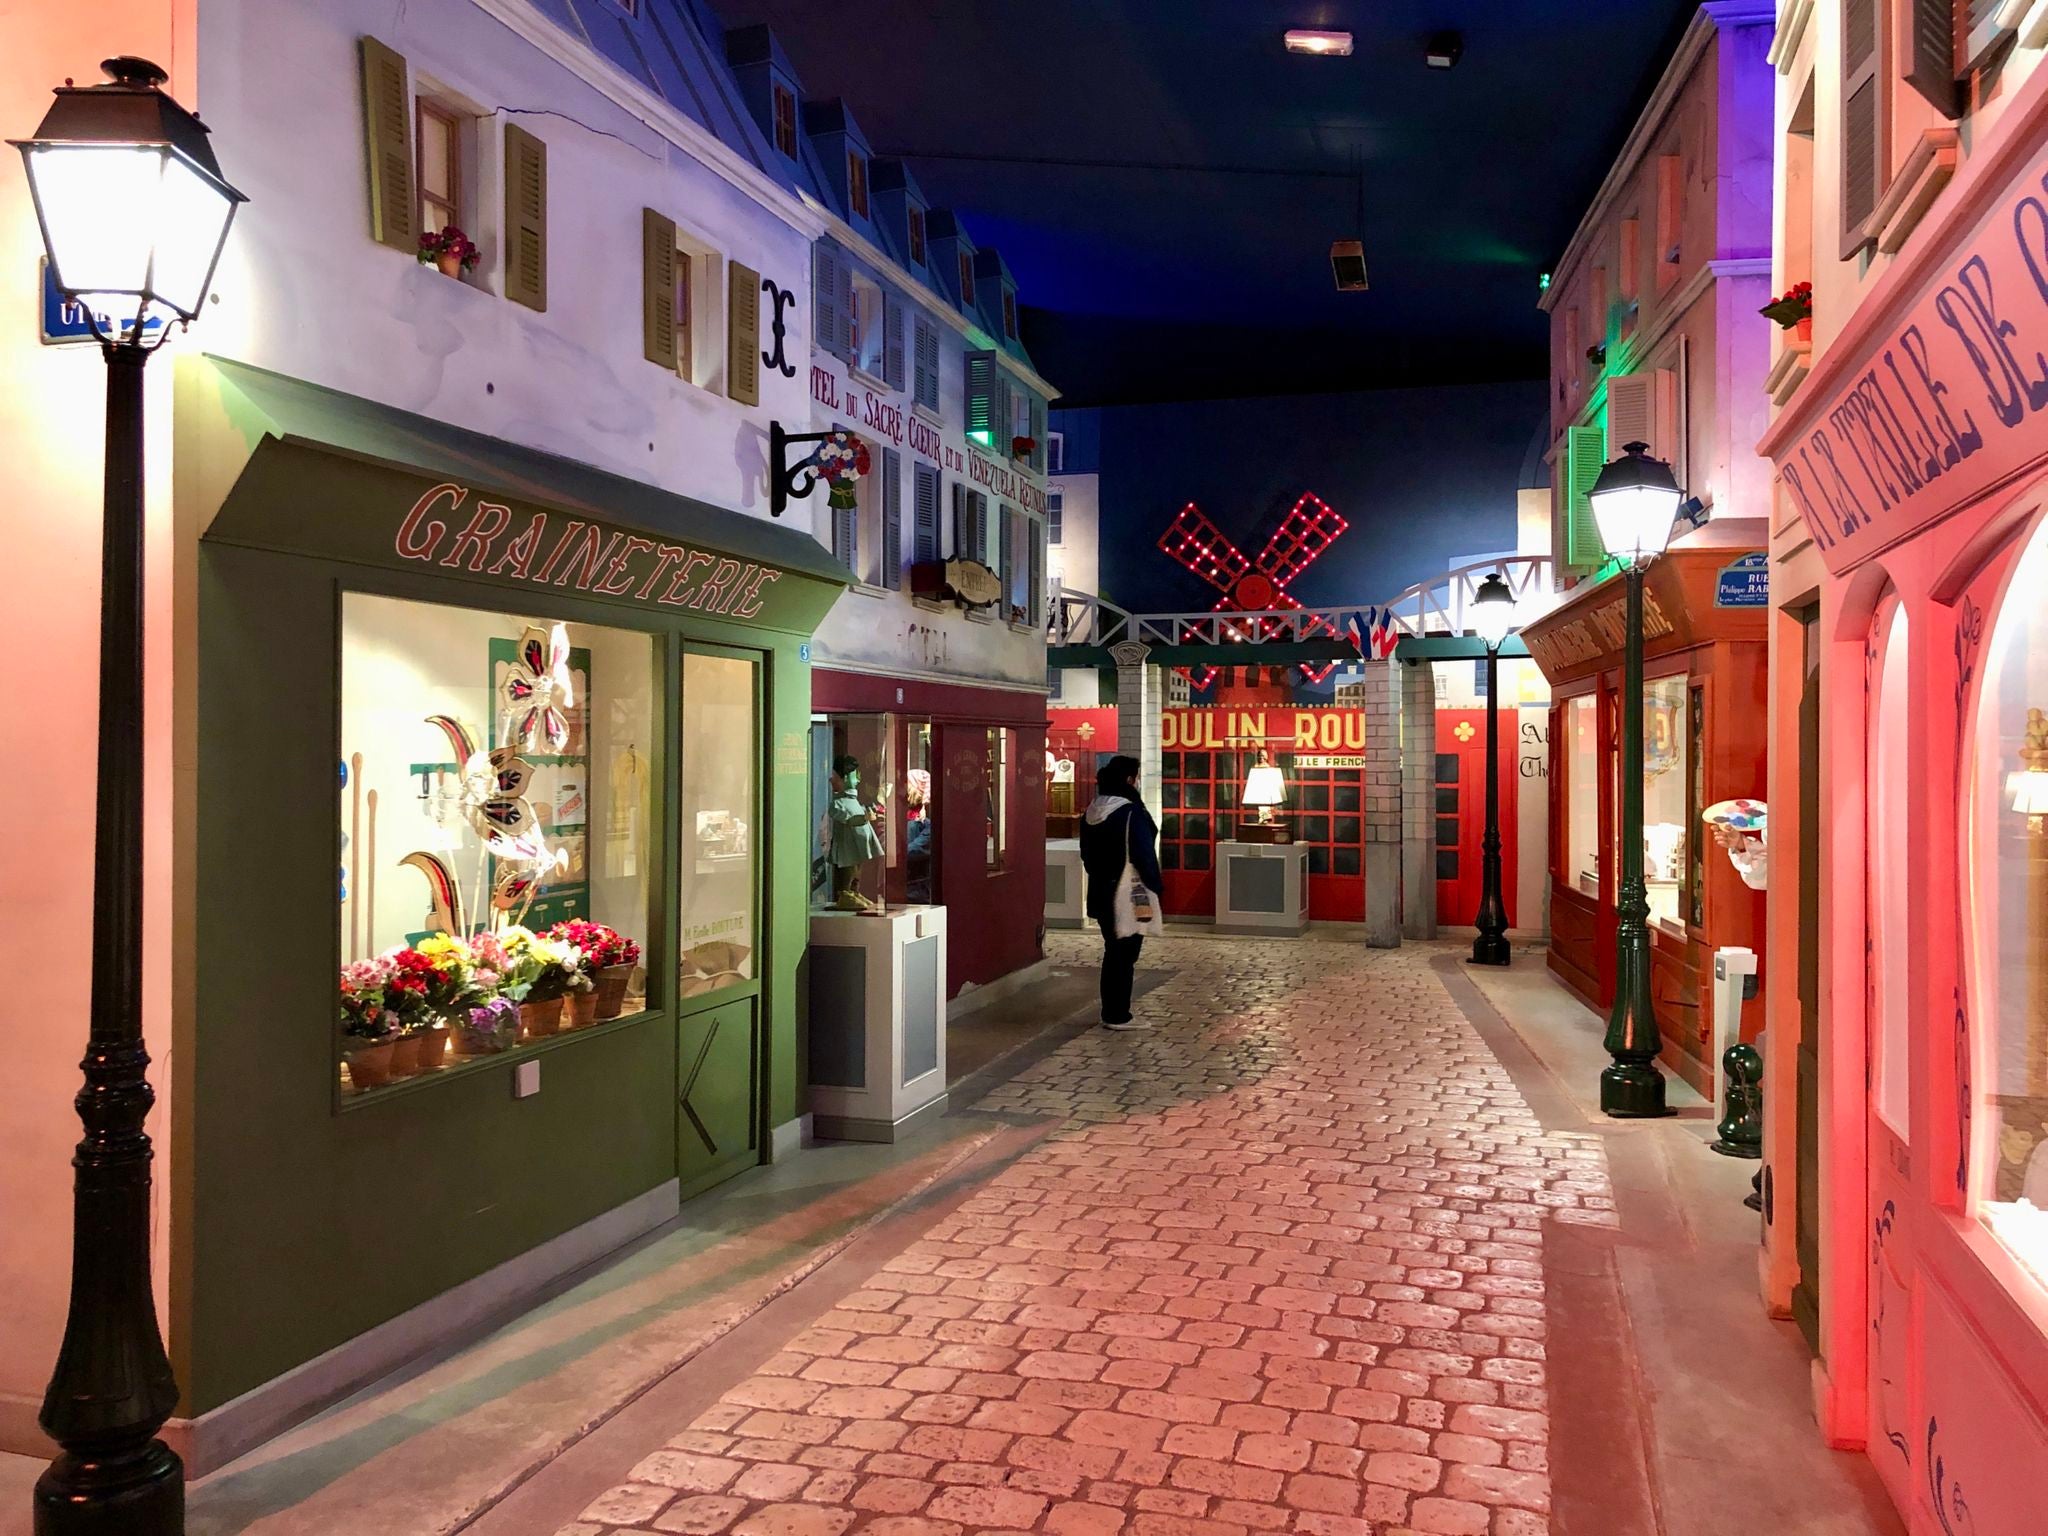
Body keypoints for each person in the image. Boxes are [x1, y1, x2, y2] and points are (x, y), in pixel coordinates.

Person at [1080, 755, 1164, 1031]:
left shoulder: (1092, 811)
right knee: (1126, 953)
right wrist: (1157, 888)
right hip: (1132, 891)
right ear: (1130, 780)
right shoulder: (1130, 812)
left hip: (1100, 890)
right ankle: (1118, 1014)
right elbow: (1143, 855)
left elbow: (1087, 856)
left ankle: (1111, 1010)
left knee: (1112, 949)